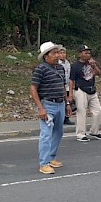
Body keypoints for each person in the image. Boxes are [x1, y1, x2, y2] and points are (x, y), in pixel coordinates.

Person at [29, 42, 71, 174]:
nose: (57, 55)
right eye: (54, 53)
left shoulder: (60, 68)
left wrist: (67, 103)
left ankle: (51, 157)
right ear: (46, 56)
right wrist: (41, 108)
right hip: (48, 104)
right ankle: (44, 163)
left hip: (60, 104)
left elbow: (63, 87)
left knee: (58, 132)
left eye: (58, 53)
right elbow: (33, 88)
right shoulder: (40, 69)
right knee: (46, 134)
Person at [69, 44, 101, 142]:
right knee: (81, 112)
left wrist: (94, 65)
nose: (88, 54)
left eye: (89, 53)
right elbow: (71, 80)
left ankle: (94, 131)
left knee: (98, 110)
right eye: (85, 52)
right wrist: (71, 95)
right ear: (80, 54)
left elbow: (98, 73)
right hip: (80, 90)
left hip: (92, 89)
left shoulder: (91, 64)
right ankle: (80, 133)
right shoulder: (75, 66)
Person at [58, 47, 74, 126]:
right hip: (61, 85)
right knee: (63, 102)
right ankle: (61, 118)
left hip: (68, 85)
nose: (63, 55)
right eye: (61, 53)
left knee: (69, 102)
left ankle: (66, 117)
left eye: (64, 53)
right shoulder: (57, 64)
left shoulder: (67, 63)